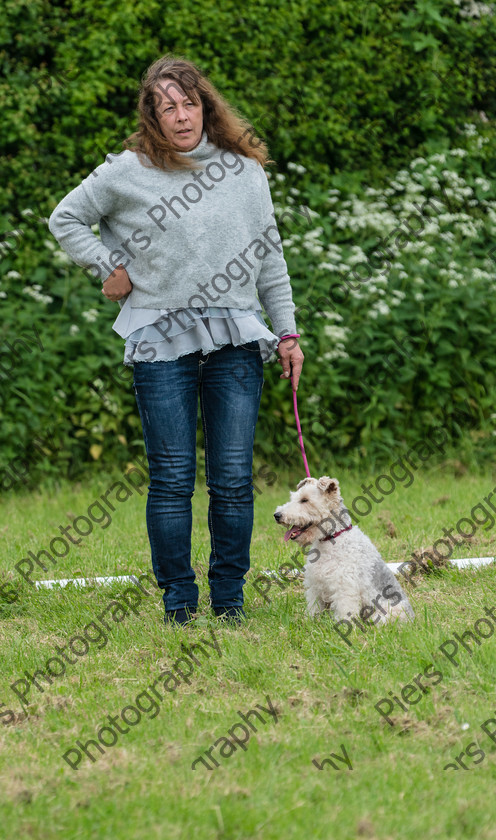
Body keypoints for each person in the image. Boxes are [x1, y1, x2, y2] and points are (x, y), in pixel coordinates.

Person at [48, 54, 304, 626]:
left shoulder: (245, 172)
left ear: (205, 107)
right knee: (171, 478)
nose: (182, 116)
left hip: (236, 337)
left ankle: (230, 602)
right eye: (168, 107)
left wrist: (286, 331)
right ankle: (179, 605)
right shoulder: (127, 170)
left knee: (234, 479)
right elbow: (65, 218)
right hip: (158, 337)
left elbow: (270, 260)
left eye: (189, 103)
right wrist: (106, 265)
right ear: (153, 116)